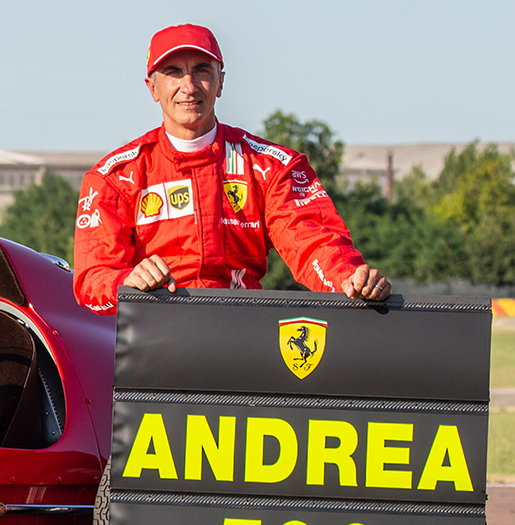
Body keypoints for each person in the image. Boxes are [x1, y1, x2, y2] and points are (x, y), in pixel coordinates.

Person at [71, 23, 391, 312]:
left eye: (201, 71)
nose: (189, 86)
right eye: (173, 72)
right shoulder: (113, 177)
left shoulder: (270, 166)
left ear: (220, 82)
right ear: (152, 88)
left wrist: (350, 279)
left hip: (243, 336)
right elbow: (90, 281)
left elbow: (313, 243)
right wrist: (127, 280)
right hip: (154, 343)